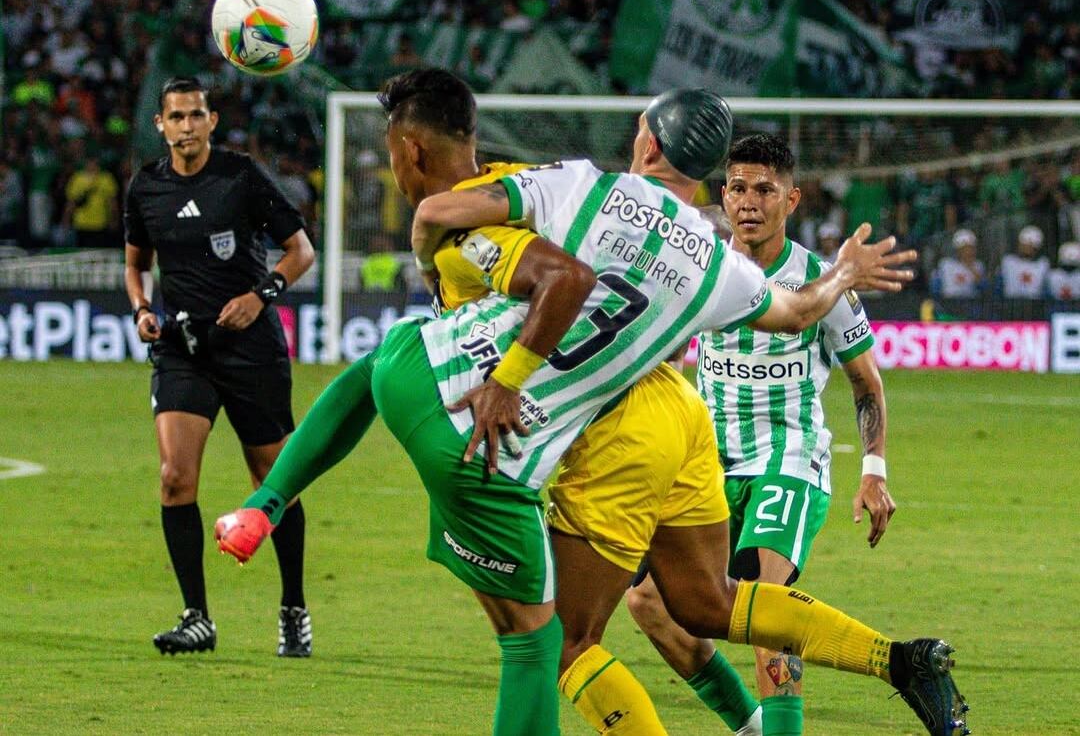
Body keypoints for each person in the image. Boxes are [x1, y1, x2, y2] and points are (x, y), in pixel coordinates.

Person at [219, 80, 966, 736]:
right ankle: (895, 661)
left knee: (564, 642)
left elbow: (446, 214)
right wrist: (843, 274)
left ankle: (269, 499)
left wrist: (448, 274)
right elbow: (802, 310)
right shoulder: (721, 267)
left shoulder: (584, 186)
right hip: (682, 414)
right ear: (711, 178)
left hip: (592, 424)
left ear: (643, 137)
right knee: (707, 601)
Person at [623, 134, 896, 736]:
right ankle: (749, 727)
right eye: (738, 188)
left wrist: (873, 473)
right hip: (706, 467)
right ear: (723, 194)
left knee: (760, 603)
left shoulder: (823, 282)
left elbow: (866, 381)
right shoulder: (701, 268)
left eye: (764, 190)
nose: (749, 202)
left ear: (791, 199)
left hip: (789, 460)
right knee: (647, 604)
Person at [123, 76, 315, 657]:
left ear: (211, 121)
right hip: (183, 349)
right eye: (175, 117)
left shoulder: (240, 176)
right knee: (175, 478)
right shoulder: (146, 188)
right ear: (161, 125)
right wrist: (140, 309)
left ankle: (293, 607)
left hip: (251, 350)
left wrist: (262, 296)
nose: (185, 126)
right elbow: (135, 266)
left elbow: (300, 251)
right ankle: (197, 617)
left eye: (195, 115)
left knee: (272, 481)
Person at [931, 229, 986, 299]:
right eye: (965, 249)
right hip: (949, 302)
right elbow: (935, 287)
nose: (969, 252)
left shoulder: (978, 265)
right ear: (958, 250)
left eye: (971, 248)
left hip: (970, 303)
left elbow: (984, 288)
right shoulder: (946, 264)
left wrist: (970, 267)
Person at [1000, 225, 1050, 299]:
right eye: (1023, 244)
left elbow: (1046, 291)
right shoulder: (1008, 262)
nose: (1025, 248)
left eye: (1029, 245)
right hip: (1010, 305)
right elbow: (999, 288)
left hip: (1034, 305)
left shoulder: (1042, 264)